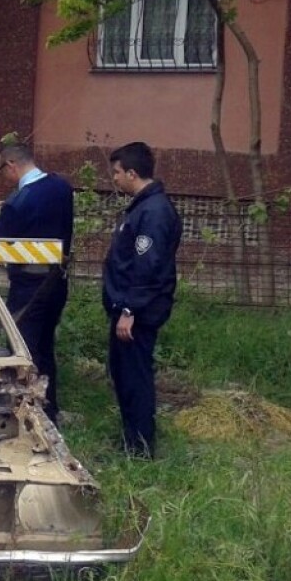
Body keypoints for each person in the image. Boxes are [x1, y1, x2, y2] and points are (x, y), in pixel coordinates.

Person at [102, 141, 182, 458]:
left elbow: (148, 267)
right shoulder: (142, 207)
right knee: (124, 375)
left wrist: (129, 309)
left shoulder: (155, 212)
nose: (115, 178)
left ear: (132, 173)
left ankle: (140, 448)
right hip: (127, 308)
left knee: (135, 378)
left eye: (118, 172)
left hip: (137, 313)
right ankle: (131, 439)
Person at [0, 143, 74, 424]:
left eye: (2, 171)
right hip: (56, 281)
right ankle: (50, 411)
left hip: (28, 287)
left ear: (11, 164)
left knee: (24, 349)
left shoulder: (20, 201)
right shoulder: (62, 188)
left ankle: (29, 416)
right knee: (45, 347)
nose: (4, 177)